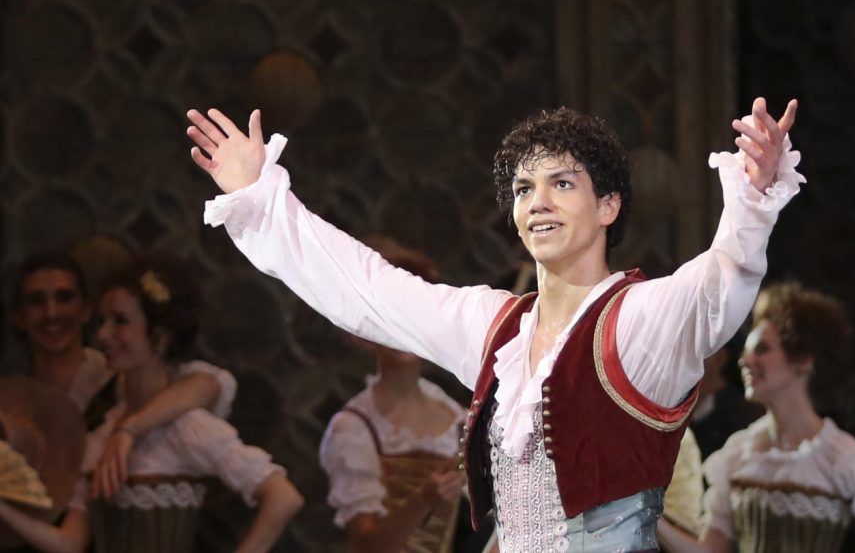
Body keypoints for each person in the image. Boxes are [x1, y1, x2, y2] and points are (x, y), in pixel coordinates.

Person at [186, 97, 802, 551]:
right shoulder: (495, 327)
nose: (539, 202)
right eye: (524, 188)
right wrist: (262, 199)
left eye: (563, 183)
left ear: (608, 205)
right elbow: (368, 290)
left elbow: (722, 282)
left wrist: (752, 202)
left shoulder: (640, 320)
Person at [0, 256, 304, 553]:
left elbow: (283, 497)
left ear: (160, 337)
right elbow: (70, 543)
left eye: (120, 321)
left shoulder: (188, 428)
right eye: (103, 321)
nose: (103, 334)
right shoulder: (101, 435)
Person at [660, 283, 855, 553]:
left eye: (762, 349)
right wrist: (649, 516)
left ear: (803, 360)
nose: (746, 360)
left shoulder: (839, 457)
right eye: (747, 350)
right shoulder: (739, 453)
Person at [10, 251, 236, 501]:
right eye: (36, 301)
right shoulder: (14, 398)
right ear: (18, 317)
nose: (51, 313)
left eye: (65, 298)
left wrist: (128, 429)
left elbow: (207, 385)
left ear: (86, 309)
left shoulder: (116, 376)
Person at [319, 240, 478, 552]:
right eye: (386, 318)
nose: (401, 330)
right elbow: (367, 547)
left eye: (411, 315)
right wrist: (423, 500)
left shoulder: (458, 418)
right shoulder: (354, 428)